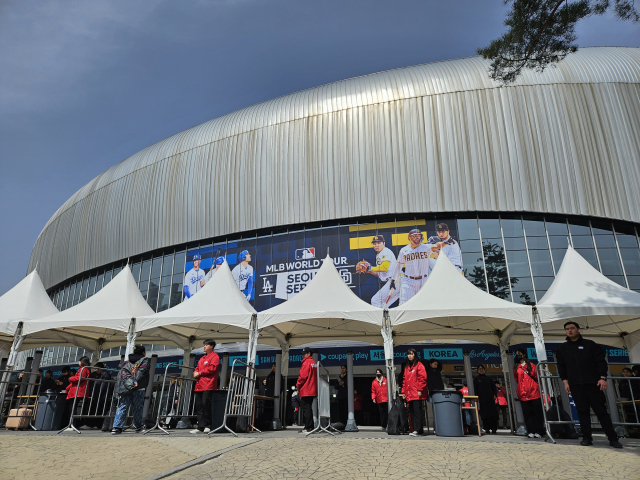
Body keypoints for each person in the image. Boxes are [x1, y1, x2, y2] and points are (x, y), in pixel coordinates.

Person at [556, 321, 622, 448]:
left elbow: (600, 361)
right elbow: (561, 366)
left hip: (593, 383)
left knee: (601, 411)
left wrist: (602, 377)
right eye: (567, 329)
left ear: (579, 330)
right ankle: (586, 437)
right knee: (582, 411)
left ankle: (613, 438)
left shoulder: (589, 344)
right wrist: (565, 382)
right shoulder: (563, 348)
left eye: (572, 328)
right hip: (575, 385)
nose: (569, 331)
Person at [112, 345, 151, 434]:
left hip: (126, 387)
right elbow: (142, 371)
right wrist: (135, 381)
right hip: (138, 387)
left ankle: (116, 427)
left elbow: (121, 375)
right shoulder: (144, 360)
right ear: (143, 353)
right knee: (137, 407)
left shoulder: (127, 362)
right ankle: (138, 426)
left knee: (123, 405)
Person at [512, 349, 544, 438]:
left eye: (519, 353)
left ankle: (539, 431)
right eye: (516, 353)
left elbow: (537, 377)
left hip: (534, 392)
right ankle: (530, 430)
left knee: (537, 413)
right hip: (523, 393)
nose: (518, 355)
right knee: (527, 413)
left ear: (524, 354)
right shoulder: (516, 367)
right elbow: (516, 378)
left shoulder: (532, 365)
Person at [191, 339, 219, 434]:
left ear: (211, 346)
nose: (204, 347)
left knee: (205, 404)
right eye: (204, 345)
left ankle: (208, 425)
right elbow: (197, 369)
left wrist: (199, 373)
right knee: (199, 406)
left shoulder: (215, 356)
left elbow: (213, 369)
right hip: (199, 385)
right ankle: (200, 426)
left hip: (208, 384)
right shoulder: (202, 358)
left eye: (206, 345)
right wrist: (195, 372)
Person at [61, 356, 92, 430]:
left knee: (73, 408)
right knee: (72, 408)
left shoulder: (84, 369)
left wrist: (70, 378)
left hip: (78, 391)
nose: (78, 362)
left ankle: (73, 424)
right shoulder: (83, 369)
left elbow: (79, 379)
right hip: (76, 391)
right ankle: (72, 424)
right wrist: (67, 388)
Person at [402, 348, 427, 436]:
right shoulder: (407, 366)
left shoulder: (419, 365)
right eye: (408, 354)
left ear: (415, 355)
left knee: (417, 412)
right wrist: (403, 392)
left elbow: (422, 378)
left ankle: (418, 429)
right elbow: (405, 380)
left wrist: (420, 389)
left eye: (412, 354)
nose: (410, 356)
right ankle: (415, 429)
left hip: (416, 393)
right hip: (409, 393)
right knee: (412, 411)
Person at [296, 347, 317, 433]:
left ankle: (308, 427)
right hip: (312, 389)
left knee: (306, 409)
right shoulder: (313, 363)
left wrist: (298, 385)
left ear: (309, 354)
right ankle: (310, 426)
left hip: (306, 389)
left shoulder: (306, 363)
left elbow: (302, 376)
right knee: (309, 408)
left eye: (304, 353)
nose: (303, 355)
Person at [473, 365, 498, 434]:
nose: (481, 370)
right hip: (482, 399)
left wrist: (495, 395)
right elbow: (475, 389)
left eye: (482, 369)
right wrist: (477, 397)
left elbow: (493, 387)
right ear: (478, 370)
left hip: (491, 399)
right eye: (479, 369)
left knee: (493, 414)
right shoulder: (476, 379)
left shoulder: (488, 378)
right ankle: (486, 428)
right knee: (484, 415)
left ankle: (494, 428)